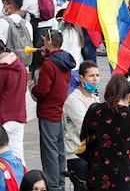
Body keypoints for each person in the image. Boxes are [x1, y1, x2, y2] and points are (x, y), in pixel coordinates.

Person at [79, 74, 130, 191]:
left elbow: (84, 137)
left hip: (97, 173)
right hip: (124, 175)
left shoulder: (95, 110)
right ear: (128, 95)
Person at [32, 30, 75, 191]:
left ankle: (53, 185)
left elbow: (42, 90)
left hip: (48, 110)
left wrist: (32, 88)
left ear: (49, 43)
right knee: (59, 150)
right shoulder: (65, 61)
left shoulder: (49, 64)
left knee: (49, 151)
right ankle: (61, 182)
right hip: (59, 108)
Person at [63, 59, 100, 184]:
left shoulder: (95, 98)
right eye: (91, 76)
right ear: (81, 78)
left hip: (93, 154)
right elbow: (85, 126)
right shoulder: (74, 99)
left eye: (97, 75)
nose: (95, 79)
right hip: (78, 155)